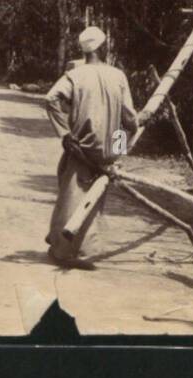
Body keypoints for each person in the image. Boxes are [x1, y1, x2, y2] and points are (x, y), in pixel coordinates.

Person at [43, 27, 146, 268]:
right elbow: (128, 118)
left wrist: (65, 135)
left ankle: (66, 250)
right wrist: (120, 150)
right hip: (106, 150)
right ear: (103, 47)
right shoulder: (118, 75)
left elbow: (51, 99)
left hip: (82, 147)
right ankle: (69, 247)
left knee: (72, 194)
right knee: (86, 199)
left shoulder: (76, 76)